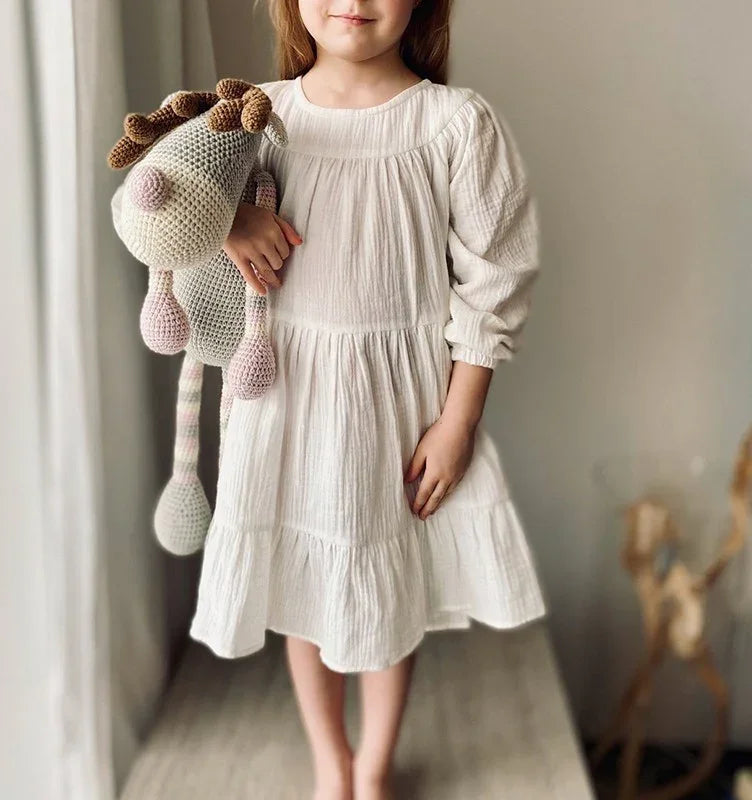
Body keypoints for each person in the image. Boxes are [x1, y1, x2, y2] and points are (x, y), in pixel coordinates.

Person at [189, 1, 549, 797]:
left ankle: (376, 766)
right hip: (287, 400)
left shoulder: (454, 124)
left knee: (388, 593)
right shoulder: (254, 115)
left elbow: (496, 281)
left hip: (400, 408)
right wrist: (226, 220)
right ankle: (333, 765)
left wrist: (459, 421)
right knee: (304, 588)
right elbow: (151, 203)